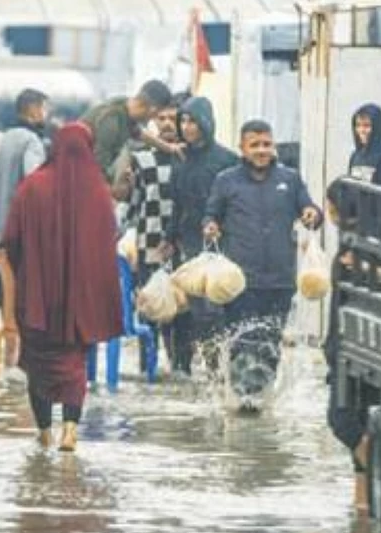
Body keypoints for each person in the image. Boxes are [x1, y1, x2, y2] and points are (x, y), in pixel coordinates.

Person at [1, 123, 123, 452]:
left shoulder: (32, 187)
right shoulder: (98, 191)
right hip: (80, 297)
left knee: (39, 365)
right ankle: (70, 430)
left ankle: (43, 434)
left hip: (37, 293)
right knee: (73, 362)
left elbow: (10, 239)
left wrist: (25, 269)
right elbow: (109, 241)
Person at [203, 119, 322, 413]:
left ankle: (261, 399)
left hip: (280, 281)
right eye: (254, 145)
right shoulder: (226, 180)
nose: (261, 150)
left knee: (270, 344)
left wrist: (311, 213)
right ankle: (243, 401)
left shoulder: (290, 179)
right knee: (242, 343)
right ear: (242, 148)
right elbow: (210, 215)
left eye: (267, 144)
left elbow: (312, 209)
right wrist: (211, 226)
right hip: (240, 281)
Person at [167, 95, 239, 369]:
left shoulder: (227, 160)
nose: (186, 127)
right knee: (193, 310)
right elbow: (176, 203)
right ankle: (196, 369)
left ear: (205, 123)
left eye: (192, 121)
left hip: (221, 243)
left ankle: (221, 367)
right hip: (189, 243)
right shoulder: (180, 159)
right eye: (182, 120)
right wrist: (169, 237)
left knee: (218, 307)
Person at [323, 177, 371, 513]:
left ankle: (372, 458)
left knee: (342, 419)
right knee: (360, 418)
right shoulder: (367, 242)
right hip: (361, 347)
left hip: (351, 350)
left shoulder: (352, 253)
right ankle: (362, 498)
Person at [125, 101, 181, 374]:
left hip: (182, 249)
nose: (168, 124)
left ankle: (178, 371)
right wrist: (128, 245)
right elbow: (133, 207)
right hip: (149, 245)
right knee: (147, 310)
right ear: (153, 122)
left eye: (173, 118)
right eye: (162, 118)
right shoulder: (141, 158)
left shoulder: (189, 157)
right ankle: (147, 370)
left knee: (179, 314)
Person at [81, 80, 181, 195]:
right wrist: (111, 194)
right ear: (152, 109)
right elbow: (97, 169)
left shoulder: (124, 105)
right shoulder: (112, 122)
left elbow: (138, 133)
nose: (151, 120)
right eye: (156, 115)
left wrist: (169, 148)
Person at [0, 88, 49, 243]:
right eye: (44, 108)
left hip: (0, 231)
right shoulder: (31, 141)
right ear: (33, 110)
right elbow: (35, 182)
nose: (45, 113)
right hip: (24, 231)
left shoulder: (4, 138)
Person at [348, 103, 381, 242]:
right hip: (355, 227)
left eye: (366, 126)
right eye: (358, 125)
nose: (361, 130)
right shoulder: (355, 156)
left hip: (376, 229)